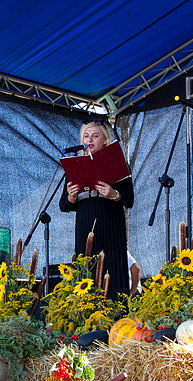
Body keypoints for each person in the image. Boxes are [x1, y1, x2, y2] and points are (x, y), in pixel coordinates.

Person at [59, 121, 134, 299]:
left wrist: (113, 194)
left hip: (111, 224)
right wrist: (71, 196)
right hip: (85, 223)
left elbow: (129, 199)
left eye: (95, 135)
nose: (90, 139)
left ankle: (117, 315)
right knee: (87, 269)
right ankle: (88, 316)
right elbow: (64, 205)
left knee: (112, 266)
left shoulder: (117, 163)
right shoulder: (75, 165)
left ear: (105, 141)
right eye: (86, 136)